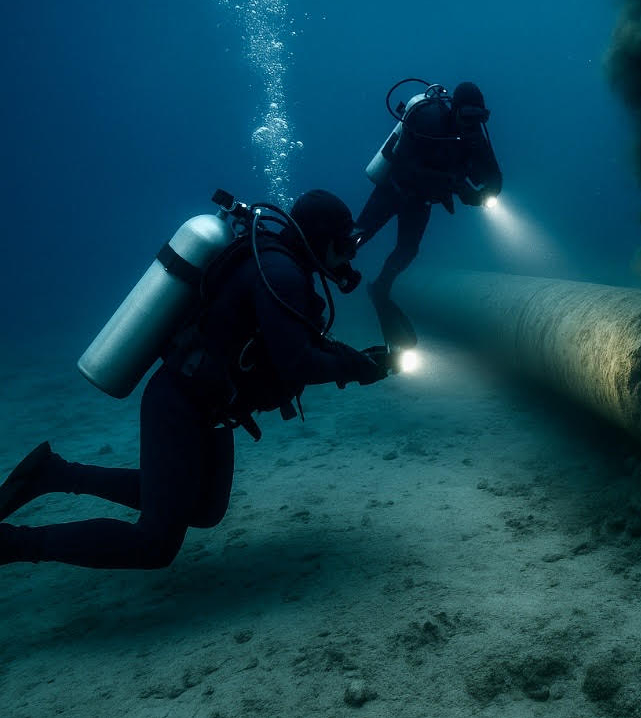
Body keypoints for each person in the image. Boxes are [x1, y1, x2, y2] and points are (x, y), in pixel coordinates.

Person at [0, 190, 389, 569]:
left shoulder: (279, 264)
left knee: (203, 508)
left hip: (208, 405)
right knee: (153, 545)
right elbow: (297, 364)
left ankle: (55, 473)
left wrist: (354, 360)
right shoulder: (280, 272)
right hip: (181, 404)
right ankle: (12, 544)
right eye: (346, 244)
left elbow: (290, 341)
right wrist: (357, 369)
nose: (351, 255)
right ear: (320, 238)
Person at [356, 81, 502, 349]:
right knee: (358, 237)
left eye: (478, 118)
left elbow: (495, 178)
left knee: (408, 250)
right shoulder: (427, 120)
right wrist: (456, 185)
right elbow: (404, 165)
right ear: (454, 110)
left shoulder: (474, 138)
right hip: (393, 189)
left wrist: (483, 194)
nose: (471, 124)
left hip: (420, 201)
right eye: (467, 116)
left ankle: (380, 289)